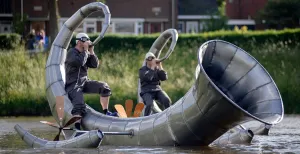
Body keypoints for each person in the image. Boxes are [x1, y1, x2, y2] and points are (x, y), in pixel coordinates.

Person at [65, 33, 117, 129]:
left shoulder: (86, 53)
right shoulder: (71, 52)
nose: (87, 42)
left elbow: (94, 64)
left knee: (104, 87)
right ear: (79, 42)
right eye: (85, 40)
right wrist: (85, 51)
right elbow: (80, 62)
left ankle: (106, 112)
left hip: (84, 82)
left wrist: (91, 52)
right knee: (79, 104)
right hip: (73, 84)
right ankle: (77, 127)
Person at [139, 52, 171, 116]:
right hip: (146, 91)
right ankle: (146, 118)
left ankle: (169, 115)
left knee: (166, 100)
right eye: (150, 58)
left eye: (153, 58)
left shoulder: (156, 68)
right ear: (146, 61)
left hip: (157, 89)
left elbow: (164, 78)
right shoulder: (142, 70)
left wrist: (160, 67)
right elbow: (148, 78)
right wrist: (153, 67)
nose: (152, 60)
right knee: (149, 104)